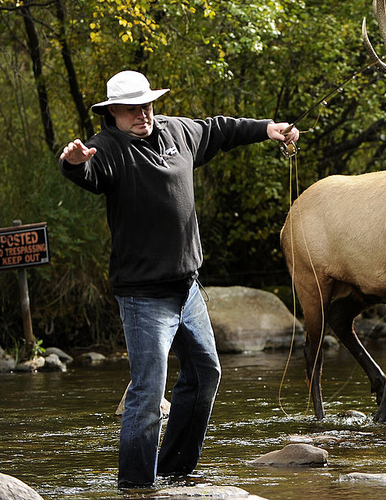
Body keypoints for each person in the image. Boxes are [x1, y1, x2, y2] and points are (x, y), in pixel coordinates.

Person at [59, 70, 299, 489]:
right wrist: (73, 163)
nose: (143, 114)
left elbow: (219, 130)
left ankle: (173, 472)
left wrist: (266, 130)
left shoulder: (177, 132)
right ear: (112, 112)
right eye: (132, 109)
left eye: (147, 105)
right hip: (143, 297)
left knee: (206, 373)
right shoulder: (108, 148)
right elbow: (88, 174)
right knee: (148, 395)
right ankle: (136, 487)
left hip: (187, 289)